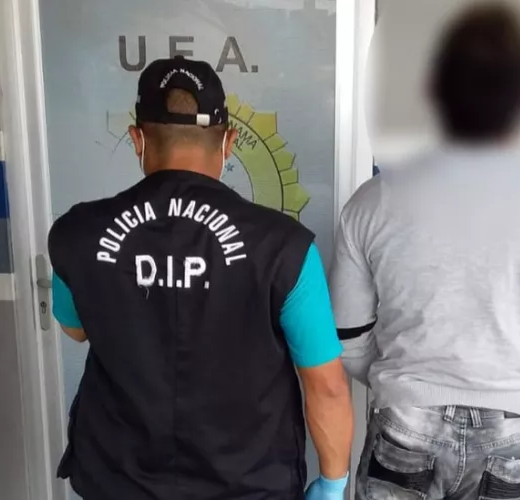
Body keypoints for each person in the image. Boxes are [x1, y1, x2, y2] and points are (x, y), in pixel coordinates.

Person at [329, 5, 520, 500]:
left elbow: (347, 339)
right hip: (509, 432)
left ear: (433, 91)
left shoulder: (373, 201)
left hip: (402, 425)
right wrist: (513, 383)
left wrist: (405, 384)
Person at [49, 56, 353, 500]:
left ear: (137, 139)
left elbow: (76, 329)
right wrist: (332, 482)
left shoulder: (77, 233)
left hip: (119, 481)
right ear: (229, 142)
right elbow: (326, 385)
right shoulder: (284, 247)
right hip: (249, 485)